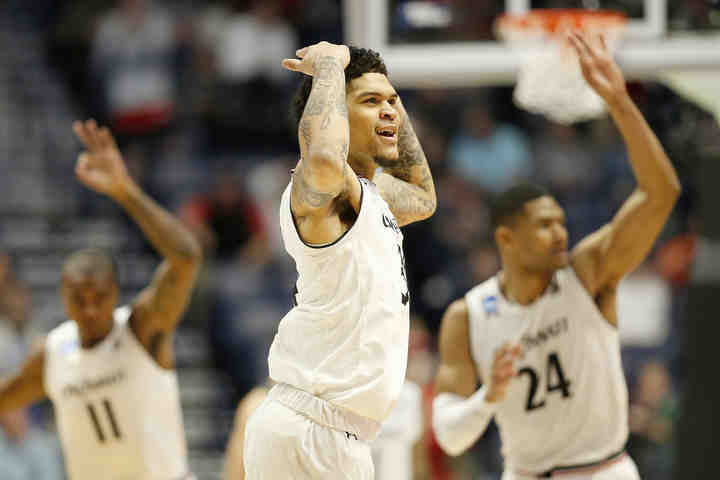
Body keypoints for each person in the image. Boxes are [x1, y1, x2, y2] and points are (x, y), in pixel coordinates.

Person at [431, 32, 681, 479]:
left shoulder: (587, 272)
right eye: (545, 224)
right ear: (506, 239)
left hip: (602, 470)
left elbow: (661, 193)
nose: (560, 232)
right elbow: (450, 436)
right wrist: (488, 396)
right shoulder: (466, 317)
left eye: (561, 221)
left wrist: (621, 104)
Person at [242, 42, 437, 479]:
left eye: (393, 101)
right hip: (311, 429)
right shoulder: (321, 192)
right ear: (338, 115)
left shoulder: (372, 198)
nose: (390, 111)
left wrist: (386, 104)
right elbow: (326, 156)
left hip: (339, 434)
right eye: (370, 102)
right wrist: (330, 64)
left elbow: (423, 197)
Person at [0, 120, 203, 480]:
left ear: (116, 295)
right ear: (63, 298)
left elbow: (186, 256)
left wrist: (125, 191)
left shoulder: (141, 329)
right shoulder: (53, 352)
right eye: (80, 298)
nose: (90, 308)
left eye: (100, 297)